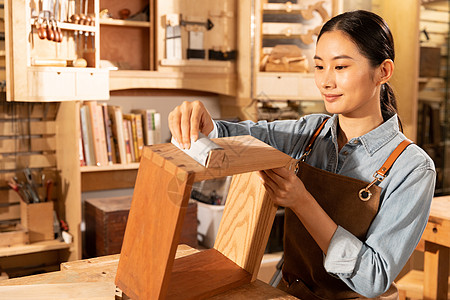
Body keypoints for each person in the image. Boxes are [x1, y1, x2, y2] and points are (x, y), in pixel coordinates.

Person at [168, 10, 435, 300]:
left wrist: (301, 201)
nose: (325, 82)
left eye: (341, 67)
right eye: (319, 67)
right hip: (288, 291)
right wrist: (206, 125)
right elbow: (241, 136)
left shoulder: (413, 168)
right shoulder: (310, 132)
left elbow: (374, 278)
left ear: (383, 71)